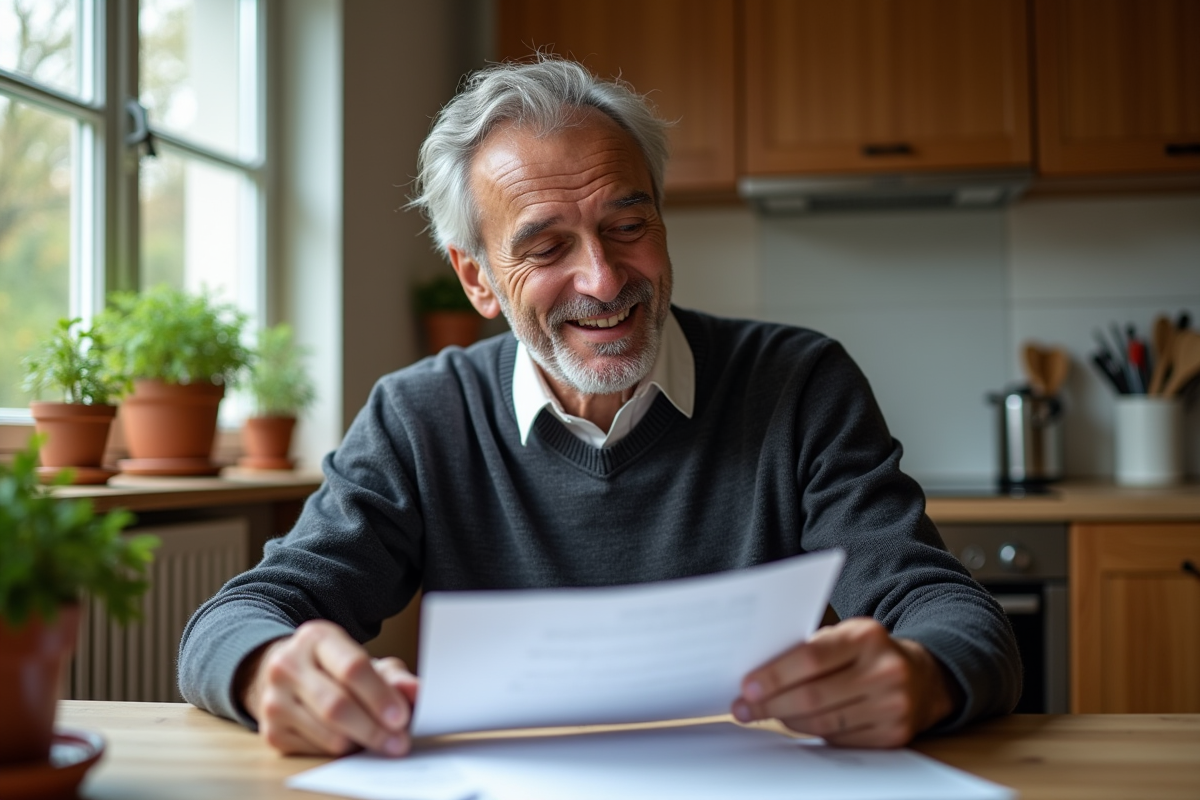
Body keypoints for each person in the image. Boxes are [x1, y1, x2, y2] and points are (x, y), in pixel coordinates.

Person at [178, 57, 1020, 758]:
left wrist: (922, 676)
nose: (605, 279)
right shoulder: (419, 416)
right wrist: (269, 670)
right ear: (475, 277)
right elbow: (237, 619)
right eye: (546, 247)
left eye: (627, 225)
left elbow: (952, 613)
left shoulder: (798, 382)